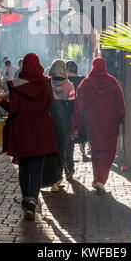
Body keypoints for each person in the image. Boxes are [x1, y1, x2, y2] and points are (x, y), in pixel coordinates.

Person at [0, 53, 57, 220]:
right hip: (41, 131)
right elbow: (50, 102)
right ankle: (33, 199)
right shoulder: (46, 82)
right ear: (38, 65)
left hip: (21, 131)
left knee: (23, 167)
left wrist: (1, 102)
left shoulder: (17, 83)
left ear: (24, 66)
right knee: (37, 169)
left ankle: (26, 198)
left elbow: (14, 109)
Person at [72, 57, 126, 196]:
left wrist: (76, 124)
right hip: (111, 122)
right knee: (108, 151)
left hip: (92, 123)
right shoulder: (112, 82)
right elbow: (121, 102)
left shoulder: (86, 83)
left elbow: (79, 104)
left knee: (96, 150)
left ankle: (97, 178)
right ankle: (100, 179)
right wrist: (121, 119)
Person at [45, 59, 75, 192]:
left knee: (49, 149)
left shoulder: (47, 84)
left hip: (48, 121)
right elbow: (72, 107)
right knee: (61, 150)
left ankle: (49, 178)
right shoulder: (69, 85)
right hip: (63, 123)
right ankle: (57, 178)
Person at [65, 60, 86, 176]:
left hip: (66, 114)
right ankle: (83, 144)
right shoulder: (82, 79)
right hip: (80, 113)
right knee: (79, 136)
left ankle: (69, 168)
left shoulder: (63, 81)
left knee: (68, 143)